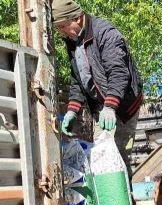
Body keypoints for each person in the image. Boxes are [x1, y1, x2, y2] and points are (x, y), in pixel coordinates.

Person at [52, 0, 143, 175]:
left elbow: (119, 72)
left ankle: (124, 200)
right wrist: (72, 109)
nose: (61, 33)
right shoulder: (72, 39)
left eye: (63, 27)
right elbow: (79, 78)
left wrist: (110, 106)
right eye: (58, 29)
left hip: (123, 105)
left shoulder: (106, 33)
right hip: (102, 106)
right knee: (101, 160)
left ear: (77, 18)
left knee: (118, 161)